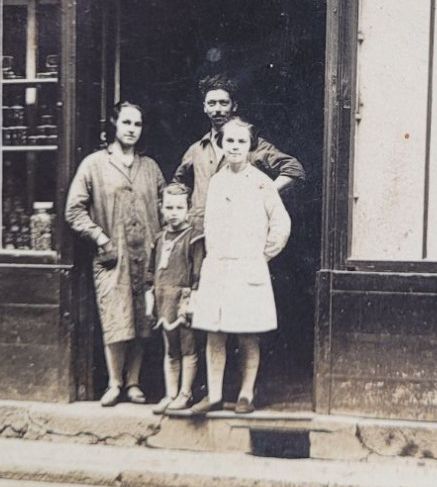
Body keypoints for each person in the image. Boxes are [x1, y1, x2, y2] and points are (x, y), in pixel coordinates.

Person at [185, 116, 290, 416]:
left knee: (247, 333)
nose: (234, 146)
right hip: (218, 267)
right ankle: (215, 394)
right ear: (221, 143)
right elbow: (210, 225)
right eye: (229, 141)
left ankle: (246, 393)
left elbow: (281, 225)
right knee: (214, 332)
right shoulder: (216, 182)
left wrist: (261, 256)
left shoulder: (261, 182)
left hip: (248, 269)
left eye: (241, 141)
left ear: (249, 146)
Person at [64, 101, 164, 408]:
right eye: (126, 123)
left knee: (142, 319)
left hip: (146, 254)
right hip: (113, 255)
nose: (132, 129)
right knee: (116, 318)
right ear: (114, 125)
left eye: (137, 124)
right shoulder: (94, 164)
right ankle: (114, 382)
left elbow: (166, 206)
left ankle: (133, 383)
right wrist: (99, 235)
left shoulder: (150, 167)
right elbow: (74, 209)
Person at [174, 75, 304, 231]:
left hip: (238, 233)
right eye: (212, 104)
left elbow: (293, 169)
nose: (217, 110)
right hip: (198, 235)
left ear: (234, 106)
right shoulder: (196, 150)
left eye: (223, 103)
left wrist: (261, 195)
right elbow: (179, 185)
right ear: (205, 107)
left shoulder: (251, 144)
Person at [146, 181, 205, 412]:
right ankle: (170, 394)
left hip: (184, 299)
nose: (174, 213)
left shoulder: (194, 238)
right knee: (170, 349)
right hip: (163, 298)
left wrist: (192, 300)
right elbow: (151, 272)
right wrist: (151, 297)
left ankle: (185, 393)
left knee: (188, 347)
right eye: (169, 208)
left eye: (179, 208)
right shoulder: (159, 239)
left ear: (188, 208)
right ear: (162, 208)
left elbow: (198, 272)